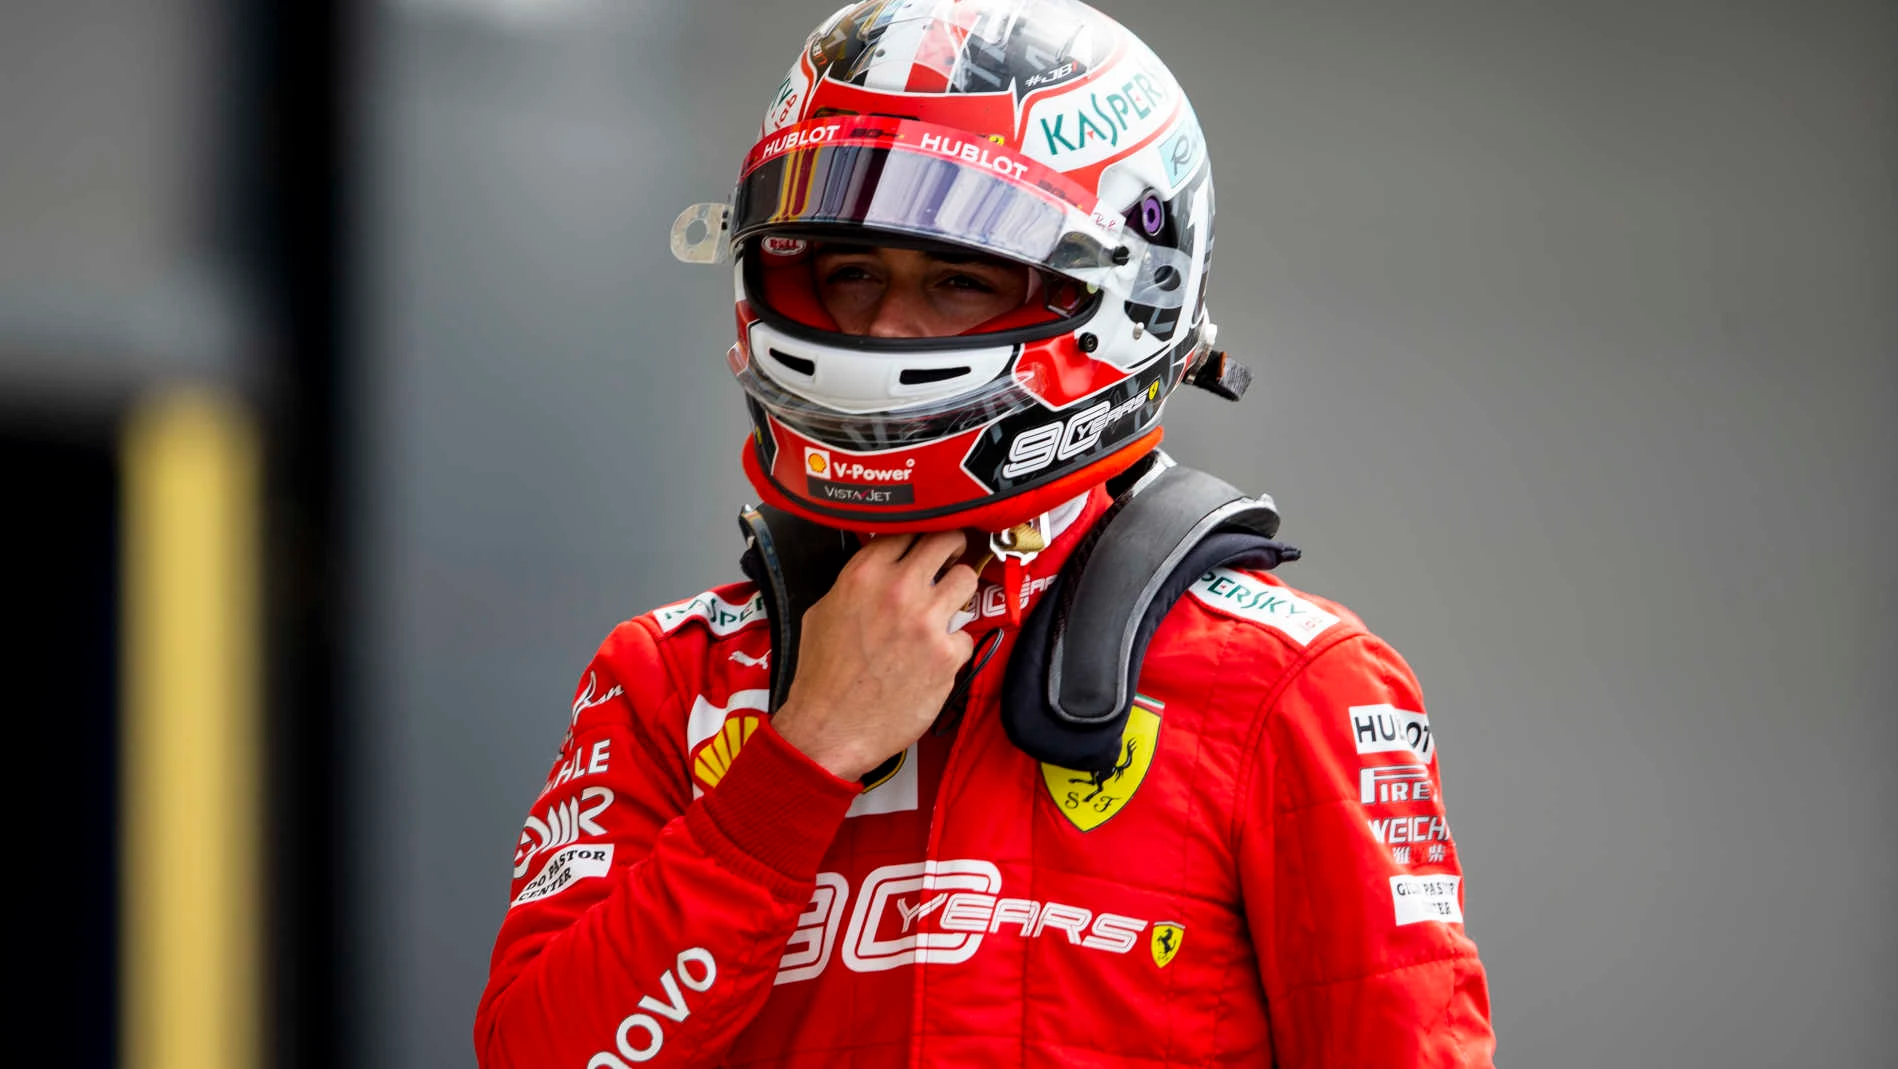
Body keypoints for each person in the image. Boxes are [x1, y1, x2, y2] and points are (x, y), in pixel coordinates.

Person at [475, 1, 1496, 1065]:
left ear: (1123, 297)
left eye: (958, 280)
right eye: (851, 272)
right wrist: (799, 759)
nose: (881, 329)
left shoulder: (1285, 685)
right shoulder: (671, 681)